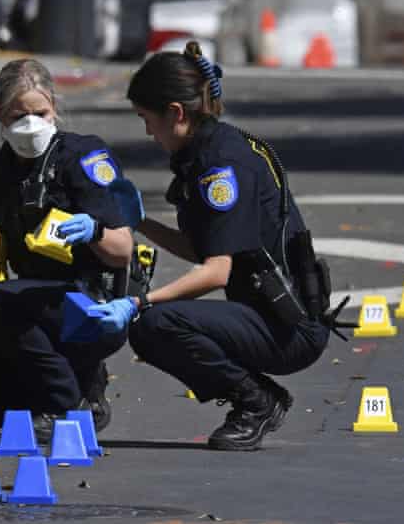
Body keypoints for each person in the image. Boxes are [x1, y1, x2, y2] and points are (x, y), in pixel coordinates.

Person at [87, 42, 334, 451]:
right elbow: (204, 249)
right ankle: (256, 397)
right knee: (154, 321)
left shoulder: (221, 166)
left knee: (153, 325)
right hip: (267, 313)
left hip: (289, 326)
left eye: (147, 119)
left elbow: (216, 271)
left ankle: (257, 402)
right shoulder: (206, 151)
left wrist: (139, 303)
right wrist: (139, 222)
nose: (147, 131)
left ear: (176, 113)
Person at [0, 58, 134, 440]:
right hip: (27, 310)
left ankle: (66, 401)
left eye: (40, 112)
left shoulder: (82, 158)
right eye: (18, 115)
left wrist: (94, 230)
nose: (30, 124)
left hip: (89, 304)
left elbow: (123, 251)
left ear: (54, 106)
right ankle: (68, 383)